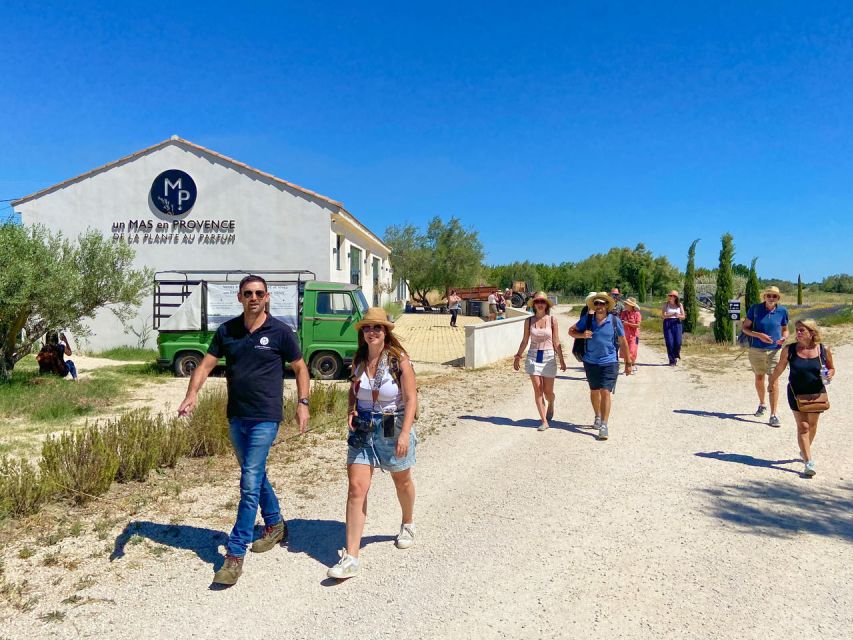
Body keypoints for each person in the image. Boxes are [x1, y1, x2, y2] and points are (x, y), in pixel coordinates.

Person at [177, 275, 310, 586]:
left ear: (267, 297)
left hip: (266, 416)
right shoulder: (228, 331)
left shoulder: (280, 332)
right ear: (239, 297)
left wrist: (303, 402)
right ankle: (275, 524)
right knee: (256, 473)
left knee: (249, 482)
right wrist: (192, 393)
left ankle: (234, 555)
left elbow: (301, 367)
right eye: (248, 293)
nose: (253, 298)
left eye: (259, 293)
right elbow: (206, 365)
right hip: (237, 416)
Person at [328, 307, 418, 579]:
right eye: (367, 327)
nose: (372, 332)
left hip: (392, 420)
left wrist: (404, 434)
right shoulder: (359, 359)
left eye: (377, 327)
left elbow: (411, 398)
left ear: (386, 331)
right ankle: (351, 557)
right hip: (363, 426)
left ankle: (407, 523)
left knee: (400, 479)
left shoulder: (398, 359)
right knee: (356, 488)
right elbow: (354, 389)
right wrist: (351, 410)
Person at [769, 320, 835, 477]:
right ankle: (808, 462)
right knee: (803, 426)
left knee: (812, 425)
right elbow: (780, 367)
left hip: (816, 393)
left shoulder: (823, 349)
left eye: (802, 330)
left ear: (812, 333)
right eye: (797, 330)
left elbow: (831, 368)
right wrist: (771, 382)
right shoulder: (789, 349)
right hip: (796, 393)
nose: (798, 333)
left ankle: (804, 450)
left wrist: (830, 373)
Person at [569, 293, 632, 440]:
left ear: (607, 306)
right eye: (597, 303)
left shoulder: (615, 321)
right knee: (594, 391)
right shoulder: (588, 320)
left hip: (609, 362)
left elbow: (623, 342)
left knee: (605, 391)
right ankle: (597, 415)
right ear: (594, 305)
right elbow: (571, 331)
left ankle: (604, 425)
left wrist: (628, 363)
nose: (599, 306)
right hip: (590, 362)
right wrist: (582, 335)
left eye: (602, 303)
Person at [513, 292, 567, 431]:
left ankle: (551, 402)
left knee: (548, 392)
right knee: (538, 389)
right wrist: (518, 356)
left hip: (548, 356)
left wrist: (561, 359)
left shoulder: (552, 320)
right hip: (533, 356)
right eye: (537, 301)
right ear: (534, 304)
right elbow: (525, 340)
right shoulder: (529, 321)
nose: (540, 304)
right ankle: (544, 421)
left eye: (543, 301)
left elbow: (556, 341)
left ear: (546, 304)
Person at [742, 286, 789, 427]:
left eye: (774, 296)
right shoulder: (755, 309)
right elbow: (745, 328)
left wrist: (784, 338)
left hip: (775, 350)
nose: (771, 298)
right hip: (756, 349)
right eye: (769, 295)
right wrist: (759, 335)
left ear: (778, 298)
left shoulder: (782, 311)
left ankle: (773, 415)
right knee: (759, 377)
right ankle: (762, 404)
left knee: (773, 380)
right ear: (764, 297)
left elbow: (785, 330)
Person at [661, 290, 686, 366]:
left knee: (678, 342)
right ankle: (672, 360)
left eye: (673, 296)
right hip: (667, 323)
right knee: (669, 342)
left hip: (677, 323)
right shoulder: (666, 305)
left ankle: (675, 355)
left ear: (676, 297)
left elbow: (683, 316)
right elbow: (663, 315)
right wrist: (673, 313)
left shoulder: (680, 305)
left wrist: (678, 316)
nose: (671, 297)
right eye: (670, 295)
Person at [620, 297, 642, 365]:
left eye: (627, 304)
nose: (625, 305)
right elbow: (621, 321)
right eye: (625, 304)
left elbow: (638, 325)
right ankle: (627, 366)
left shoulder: (637, 314)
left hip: (634, 335)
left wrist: (628, 324)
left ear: (631, 305)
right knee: (624, 351)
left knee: (632, 351)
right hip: (625, 335)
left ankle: (632, 364)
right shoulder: (623, 313)